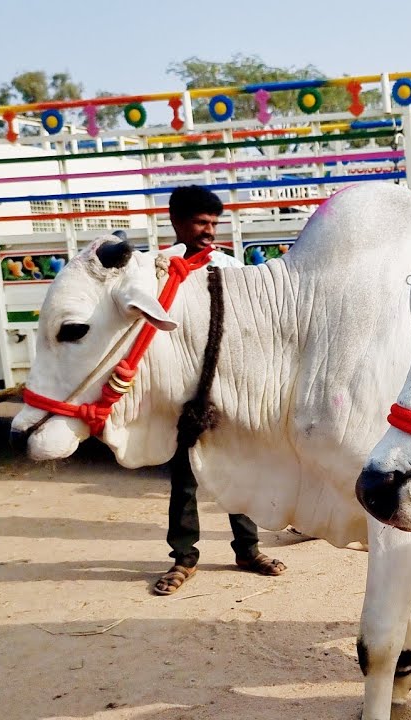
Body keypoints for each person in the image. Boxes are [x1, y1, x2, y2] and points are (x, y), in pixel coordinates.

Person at [152, 186, 283, 596]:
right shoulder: (160, 268)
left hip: (229, 387)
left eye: (213, 223)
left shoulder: (230, 266)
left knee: (238, 468)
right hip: (184, 388)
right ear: (177, 223)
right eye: (200, 222)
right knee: (185, 477)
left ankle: (248, 550)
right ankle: (183, 558)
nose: (209, 231)